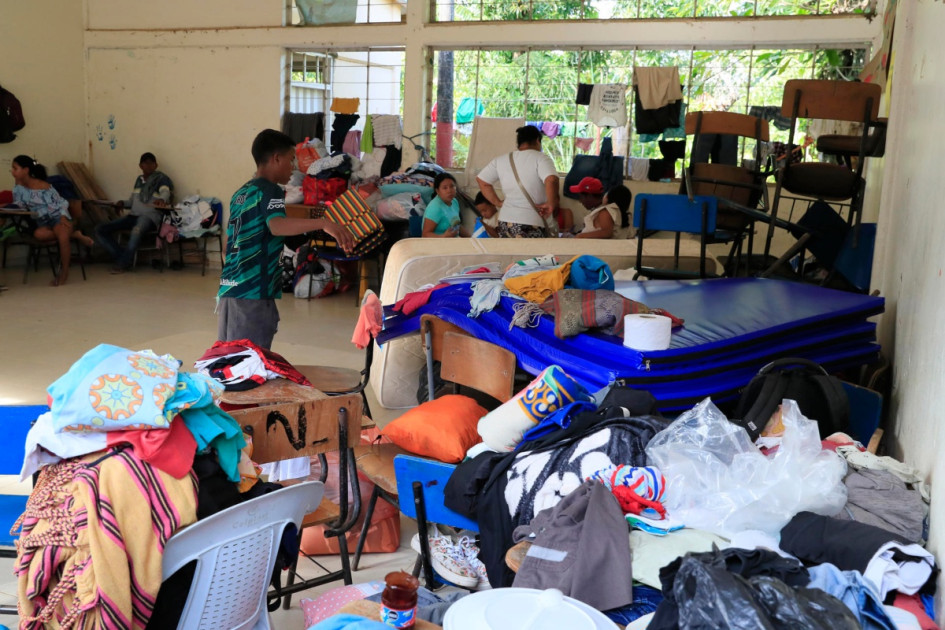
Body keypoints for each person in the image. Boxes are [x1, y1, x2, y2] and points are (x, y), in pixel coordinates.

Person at [217, 129, 355, 350]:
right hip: (254, 291)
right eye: (291, 160)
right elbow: (277, 225)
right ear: (276, 158)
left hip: (230, 288)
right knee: (251, 361)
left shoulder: (241, 193)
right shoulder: (270, 190)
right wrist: (324, 223)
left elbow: (228, 243)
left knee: (229, 356)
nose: (294, 167)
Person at [9, 155, 94, 286]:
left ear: (25, 170)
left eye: (15, 168)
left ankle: (64, 272)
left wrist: (63, 217)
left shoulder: (44, 186)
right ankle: (75, 234)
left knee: (62, 235)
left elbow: (61, 203)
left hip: (57, 216)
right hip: (42, 221)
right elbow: (19, 204)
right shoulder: (18, 188)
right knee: (39, 234)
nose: (12, 171)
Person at [95, 152, 174, 274]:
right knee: (100, 229)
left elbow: (165, 193)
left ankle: (122, 263)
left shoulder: (161, 179)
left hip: (148, 217)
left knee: (136, 230)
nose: (148, 166)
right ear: (140, 166)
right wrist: (121, 203)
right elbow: (132, 201)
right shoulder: (139, 180)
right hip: (133, 216)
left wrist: (162, 199)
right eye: (145, 163)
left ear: (156, 165)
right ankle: (124, 257)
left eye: (151, 163)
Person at [476, 125, 559, 238]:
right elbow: (552, 179)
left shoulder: (501, 160)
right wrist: (551, 203)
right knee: (531, 255)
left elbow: (482, 181)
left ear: (519, 143)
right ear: (537, 140)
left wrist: (498, 203)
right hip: (531, 221)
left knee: (510, 255)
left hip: (505, 222)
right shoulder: (541, 158)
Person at [423, 173, 468, 238]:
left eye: (452, 186)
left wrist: (472, 238)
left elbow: (457, 226)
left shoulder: (454, 201)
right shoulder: (435, 208)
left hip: (453, 241)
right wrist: (443, 236)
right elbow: (425, 235)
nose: (449, 191)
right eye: (445, 188)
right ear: (437, 191)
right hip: (438, 245)